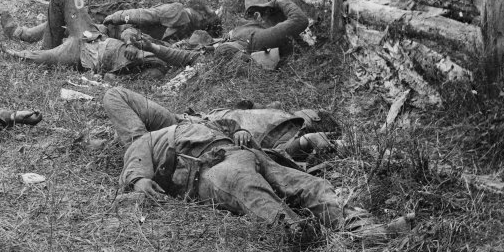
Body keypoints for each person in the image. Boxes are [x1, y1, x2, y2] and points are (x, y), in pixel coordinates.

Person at [102, 86, 412, 244]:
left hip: (246, 151)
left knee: (305, 184)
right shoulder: (147, 141)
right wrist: (139, 179)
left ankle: (365, 230)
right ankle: (296, 229)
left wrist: (237, 130)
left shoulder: (193, 121)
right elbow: (136, 156)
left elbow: (225, 122)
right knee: (244, 185)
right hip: (206, 170)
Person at [102, 87, 338, 164]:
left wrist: (313, 140)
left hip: (193, 133)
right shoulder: (278, 113)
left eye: (312, 111)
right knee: (117, 100)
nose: (306, 109)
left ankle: (140, 153)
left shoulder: (289, 134)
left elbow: (281, 156)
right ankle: (141, 147)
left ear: (313, 120)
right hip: (186, 120)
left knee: (115, 95)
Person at [0, 0, 171, 76]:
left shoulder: (167, 45)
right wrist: (128, 36)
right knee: (66, 6)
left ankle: (26, 37)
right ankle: (24, 34)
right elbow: (130, 27)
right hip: (98, 34)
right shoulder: (168, 25)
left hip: (92, 45)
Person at [131, 0, 309, 70]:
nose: (278, 19)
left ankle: (150, 48)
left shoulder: (241, 32)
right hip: (211, 59)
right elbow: (300, 20)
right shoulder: (259, 35)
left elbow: (191, 58)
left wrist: (153, 48)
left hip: (203, 60)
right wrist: (278, 2)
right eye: (274, 14)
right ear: (258, 16)